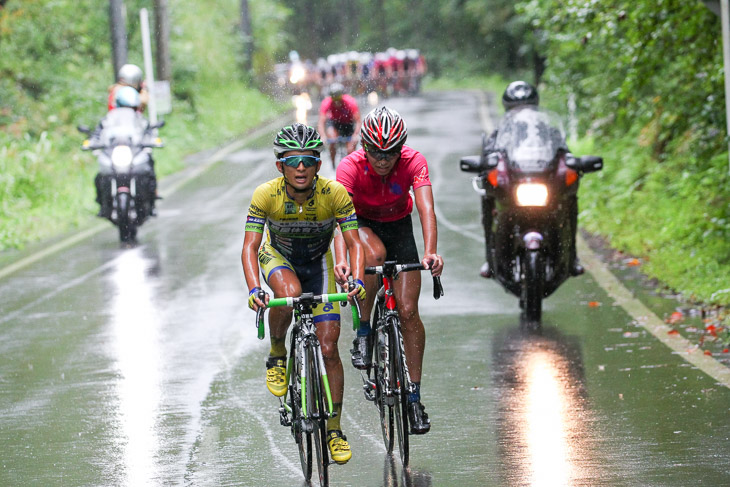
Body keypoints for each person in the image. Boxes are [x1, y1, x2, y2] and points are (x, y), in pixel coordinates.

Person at [241, 123, 366, 465]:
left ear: (318, 165)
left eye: (307, 160)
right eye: (292, 160)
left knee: (328, 348)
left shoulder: (335, 194)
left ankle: (334, 429)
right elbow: (251, 247)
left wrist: (355, 279)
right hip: (278, 259)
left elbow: (354, 243)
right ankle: (278, 352)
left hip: (319, 263)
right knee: (290, 293)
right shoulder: (265, 194)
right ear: (279, 165)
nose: (300, 167)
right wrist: (255, 288)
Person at [334, 106, 444, 435]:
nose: (383, 160)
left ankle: (414, 397)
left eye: (391, 153)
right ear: (363, 147)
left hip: (399, 226)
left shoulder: (413, 161)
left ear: (401, 149)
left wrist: (430, 253)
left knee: (408, 311)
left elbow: (425, 207)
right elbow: (341, 223)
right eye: (376, 153)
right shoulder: (349, 166)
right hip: (361, 226)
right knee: (374, 255)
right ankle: (364, 332)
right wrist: (342, 260)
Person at [479, 80, 583, 279]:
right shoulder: (501, 132)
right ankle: (489, 258)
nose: (522, 111)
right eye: (517, 107)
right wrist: (485, 166)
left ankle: (572, 256)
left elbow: (563, 151)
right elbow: (488, 155)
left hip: (543, 182)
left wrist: (572, 164)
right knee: (487, 197)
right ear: (508, 107)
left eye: (526, 106)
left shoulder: (548, 129)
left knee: (570, 199)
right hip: (513, 185)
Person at [91, 86, 158, 218]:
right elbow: (98, 132)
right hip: (114, 152)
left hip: (134, 152)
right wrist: (93, 141)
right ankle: (102, 204)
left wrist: (152, 140)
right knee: (100, 177)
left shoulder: (138, 118)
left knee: (149, 172)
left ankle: (151, 201)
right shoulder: (110, 118)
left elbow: (148, 130)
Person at [317, 82, 361, 168]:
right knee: (332, 139)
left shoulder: (350, 102)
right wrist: (323, 136)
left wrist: (355, 135)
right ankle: (333, 164)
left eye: (338, 97)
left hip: (348, 124)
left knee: (351, 149)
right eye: (334, 97)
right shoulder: (326, 103)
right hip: (334, 123)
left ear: (342, 95)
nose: (337, 100)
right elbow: (321, 122)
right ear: (331, 97)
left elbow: (358, 121)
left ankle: (351, 167)